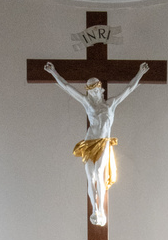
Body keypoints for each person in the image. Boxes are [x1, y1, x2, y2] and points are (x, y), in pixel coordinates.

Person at [44, 60, 149, 226]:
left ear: (100, 90)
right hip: (89, 143)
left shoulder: (110, 104)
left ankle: (101, 209)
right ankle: (95, 210)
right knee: (90, 175)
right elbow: (67, 87)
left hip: (103, 142)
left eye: (94, 89)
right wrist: (53, 72)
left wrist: (141, 73)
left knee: (99, 172)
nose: (92, 93)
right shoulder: (87, 104)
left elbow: (128, 89)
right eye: (89, 90)